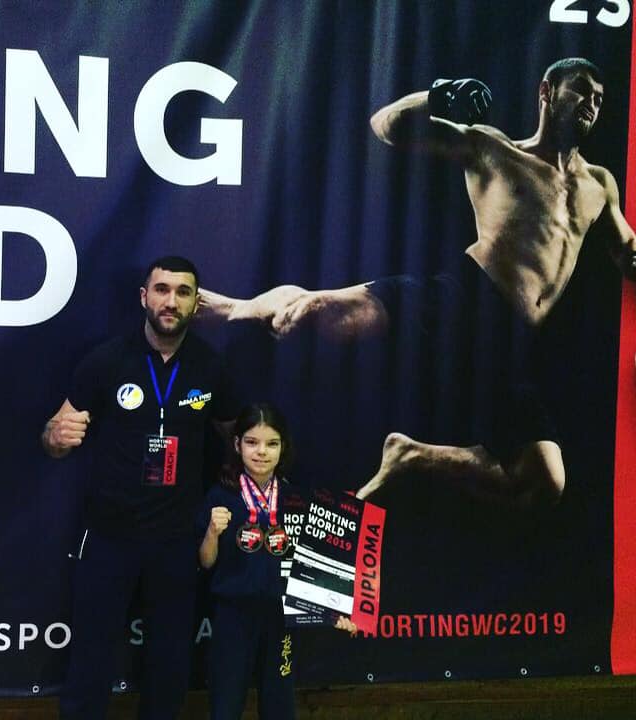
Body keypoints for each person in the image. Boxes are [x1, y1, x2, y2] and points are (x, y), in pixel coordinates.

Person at [199, 58, 636, 509]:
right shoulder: (494, 149)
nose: (591, 103)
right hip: (462, 297)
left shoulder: (600, 184)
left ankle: (411, 457)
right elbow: (387, 126)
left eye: (599, 98)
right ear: (546, 91)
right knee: (304, 316)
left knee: (545, 479)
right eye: (581, 89)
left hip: (512, 341)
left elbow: (625, 246)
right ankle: (230, 309)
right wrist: (439, 95)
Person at [43, 255, 239, 720]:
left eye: (183, 292)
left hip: (177, 538)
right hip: (110, 535)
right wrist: (57, 436)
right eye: (162, 289)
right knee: (91, 658)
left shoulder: (211, 367)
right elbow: (54, 435)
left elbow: (235, 435)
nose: (171, 301)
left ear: (196, 303)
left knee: (169, 663)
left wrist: (241, 469)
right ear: (144, 297)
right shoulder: (107, 360)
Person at [198, 403, 354, 720]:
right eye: (252, 442)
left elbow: (313, 566)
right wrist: (212, 532)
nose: (261, 452)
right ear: (237, 444)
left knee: (279, 704)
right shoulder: (221, 496)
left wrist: (335, 607)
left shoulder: (295, 499)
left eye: (272, 443)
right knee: (226, 702)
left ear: (283, 448)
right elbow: (206, 562)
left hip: (281, 617)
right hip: (233, 614)